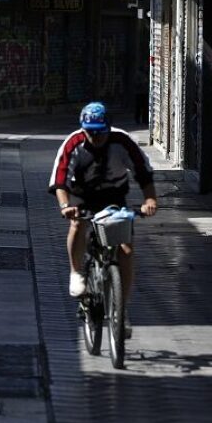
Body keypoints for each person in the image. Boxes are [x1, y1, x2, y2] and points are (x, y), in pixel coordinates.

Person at [49, 102, 158, 337]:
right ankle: (76, 271)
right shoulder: (73, 144)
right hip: (82, 197)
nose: (96, 137)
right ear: (83, 128)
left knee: (126, 249)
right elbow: (60, 180)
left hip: (114, 198)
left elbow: (143, 173)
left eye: (100, 132)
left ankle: (121, 307)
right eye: (91, 132)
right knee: (78, 224)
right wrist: (66, 206)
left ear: (108, 128)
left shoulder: (123, 142)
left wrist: (149, 200)